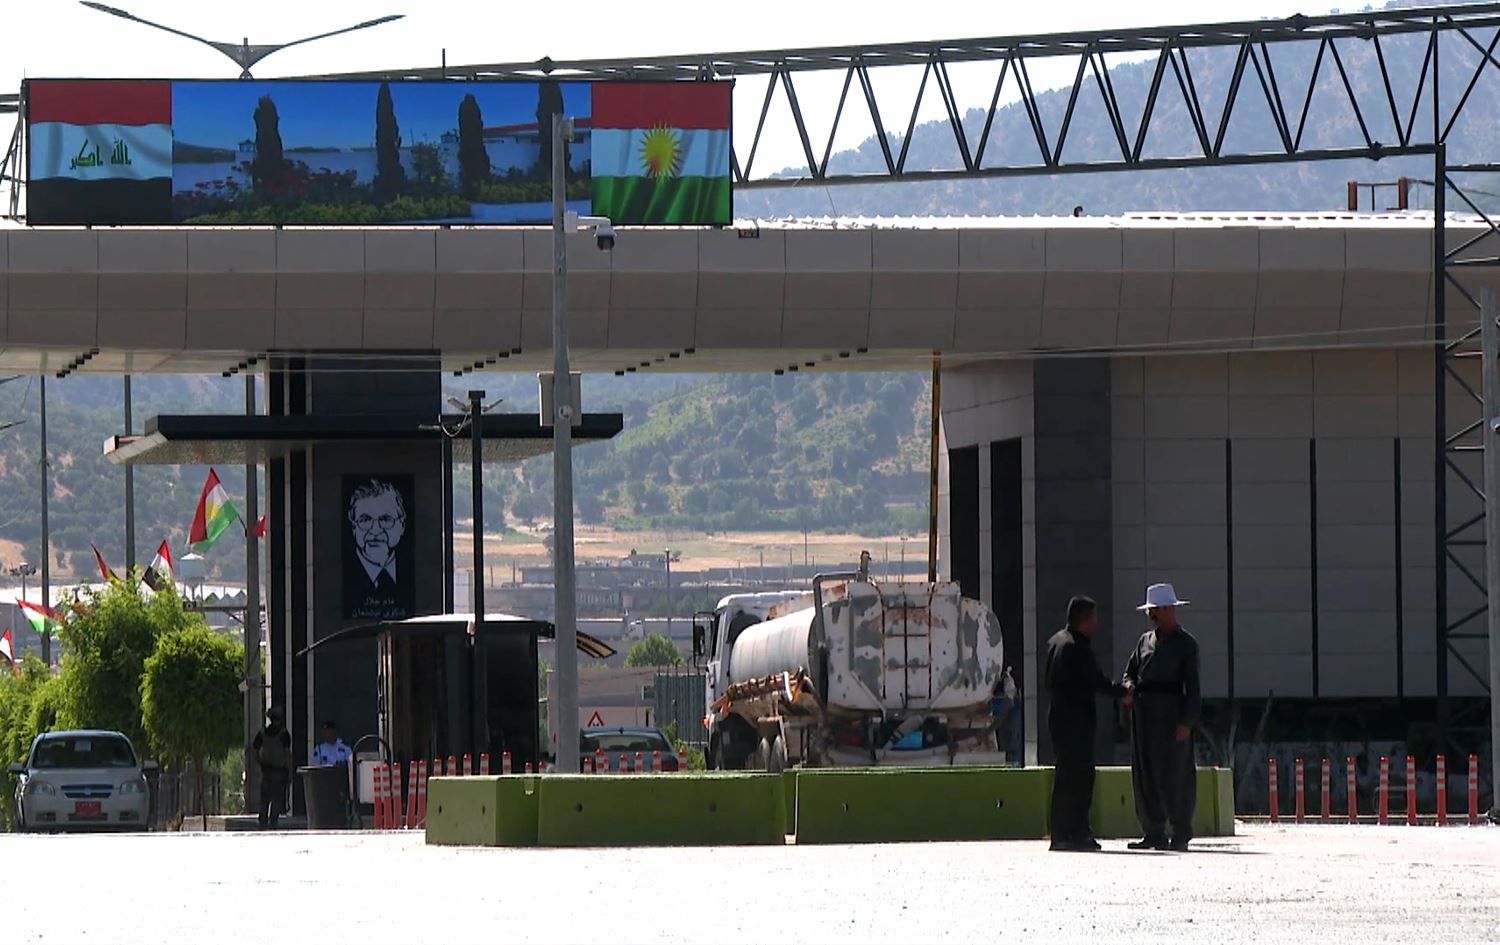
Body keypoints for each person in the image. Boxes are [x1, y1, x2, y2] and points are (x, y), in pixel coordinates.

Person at [1121, 583, 1202, 852]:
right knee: (1146, 774)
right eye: (1155, 610)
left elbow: (1193, 687)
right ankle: (1153, 831)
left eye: (1162, 609)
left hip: (1172, 716)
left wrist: (1187, 721)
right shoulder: (1144, 641)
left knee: (1176, 774)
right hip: (1144, 716)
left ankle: (1181, 830)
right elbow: (1130, 671)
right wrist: (1129, 686)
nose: (1158, 614)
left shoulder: (1186, 644)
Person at [1045, 596, 1123, 851]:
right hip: (1076, 722)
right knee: (1079, 779)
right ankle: (1076, 832)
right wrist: (1123, 692)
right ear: (1085, 619)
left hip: (1058, 718)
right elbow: (1096, 681)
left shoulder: (1055, 642)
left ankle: (1060, 832)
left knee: (1065, 776)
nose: (1096, 623)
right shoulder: (1077, 647)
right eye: (1093, 618)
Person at [252, 706, 293, 829]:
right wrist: (290, 772)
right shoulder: (284, 734)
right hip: (279, 772)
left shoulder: (262, 733)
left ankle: (262, 824)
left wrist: (260, 763)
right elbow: (287, 755)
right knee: (276, 800)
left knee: (264, 800)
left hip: (266, 771)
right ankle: (272, 824)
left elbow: (254, 751)